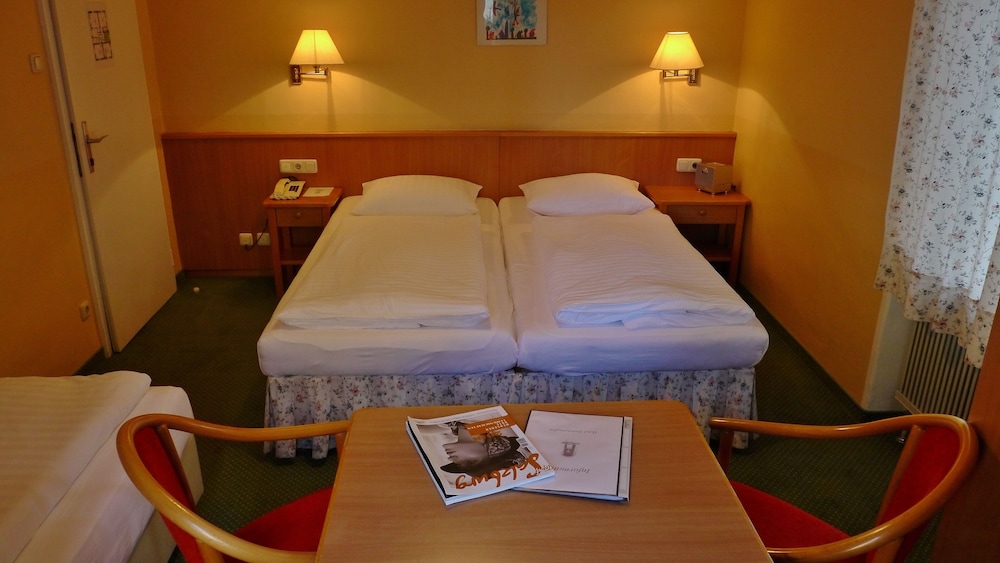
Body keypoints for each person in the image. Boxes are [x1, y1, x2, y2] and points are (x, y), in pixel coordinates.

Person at [439, 422, 526, 478]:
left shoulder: (440, 425)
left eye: (457, 464)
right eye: (471, 461)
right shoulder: (491, 418)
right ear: (494, 448)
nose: (451, 459)